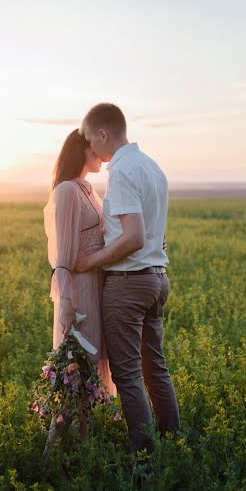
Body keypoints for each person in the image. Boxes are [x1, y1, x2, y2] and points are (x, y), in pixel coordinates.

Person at [77, 103, 180, 455]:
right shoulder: (153, 167)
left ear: (103, 133)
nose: (92, 148)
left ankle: (146, 460)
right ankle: (173, 442)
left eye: (91, 138)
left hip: (129, 283)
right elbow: (153, 233)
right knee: (155, 368)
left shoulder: (121, 172)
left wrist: (91, 259)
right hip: (157, 279)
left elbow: (134, 237)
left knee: (128, 375)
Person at [42, 128, 116, 460]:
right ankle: (47, 458)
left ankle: (82, 457)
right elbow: (63, 260)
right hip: (78, 295)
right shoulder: (67, 192)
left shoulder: (88, 189)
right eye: (96, 149)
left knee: (85, 379)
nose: (102, 154)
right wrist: (68, 305)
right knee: (72, 377)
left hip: (94, 289)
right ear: (83, 149)